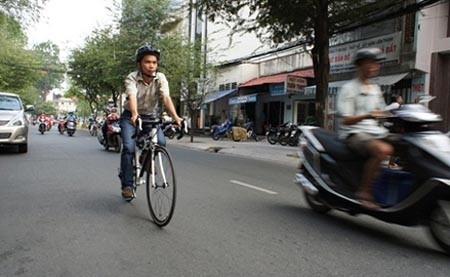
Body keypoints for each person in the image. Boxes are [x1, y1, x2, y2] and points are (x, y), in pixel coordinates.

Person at [119, 44, 183, 200]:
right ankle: (127, 185)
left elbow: (166, 97)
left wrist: (176, 117)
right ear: (139, 64)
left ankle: (145, 158)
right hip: (130, 116)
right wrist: (134, 114)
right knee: (128, 147)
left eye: (154, 62)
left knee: (160, 142)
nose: (151, 65)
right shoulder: (132, 77)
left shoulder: (160, 78)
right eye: (147, 62)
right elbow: (132, 96)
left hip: (150, 116)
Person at [336, 47, 393, 209]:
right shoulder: (349, 88)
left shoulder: (375, 89)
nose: (375, 66)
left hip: (375, 131)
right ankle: (364, 191)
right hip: (354, 133)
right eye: (371, 62)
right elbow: (346, 119)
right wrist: (368, 115)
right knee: (382, 150)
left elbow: (382, 111)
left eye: (377, 63)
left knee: (406, 144)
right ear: (360, 65)